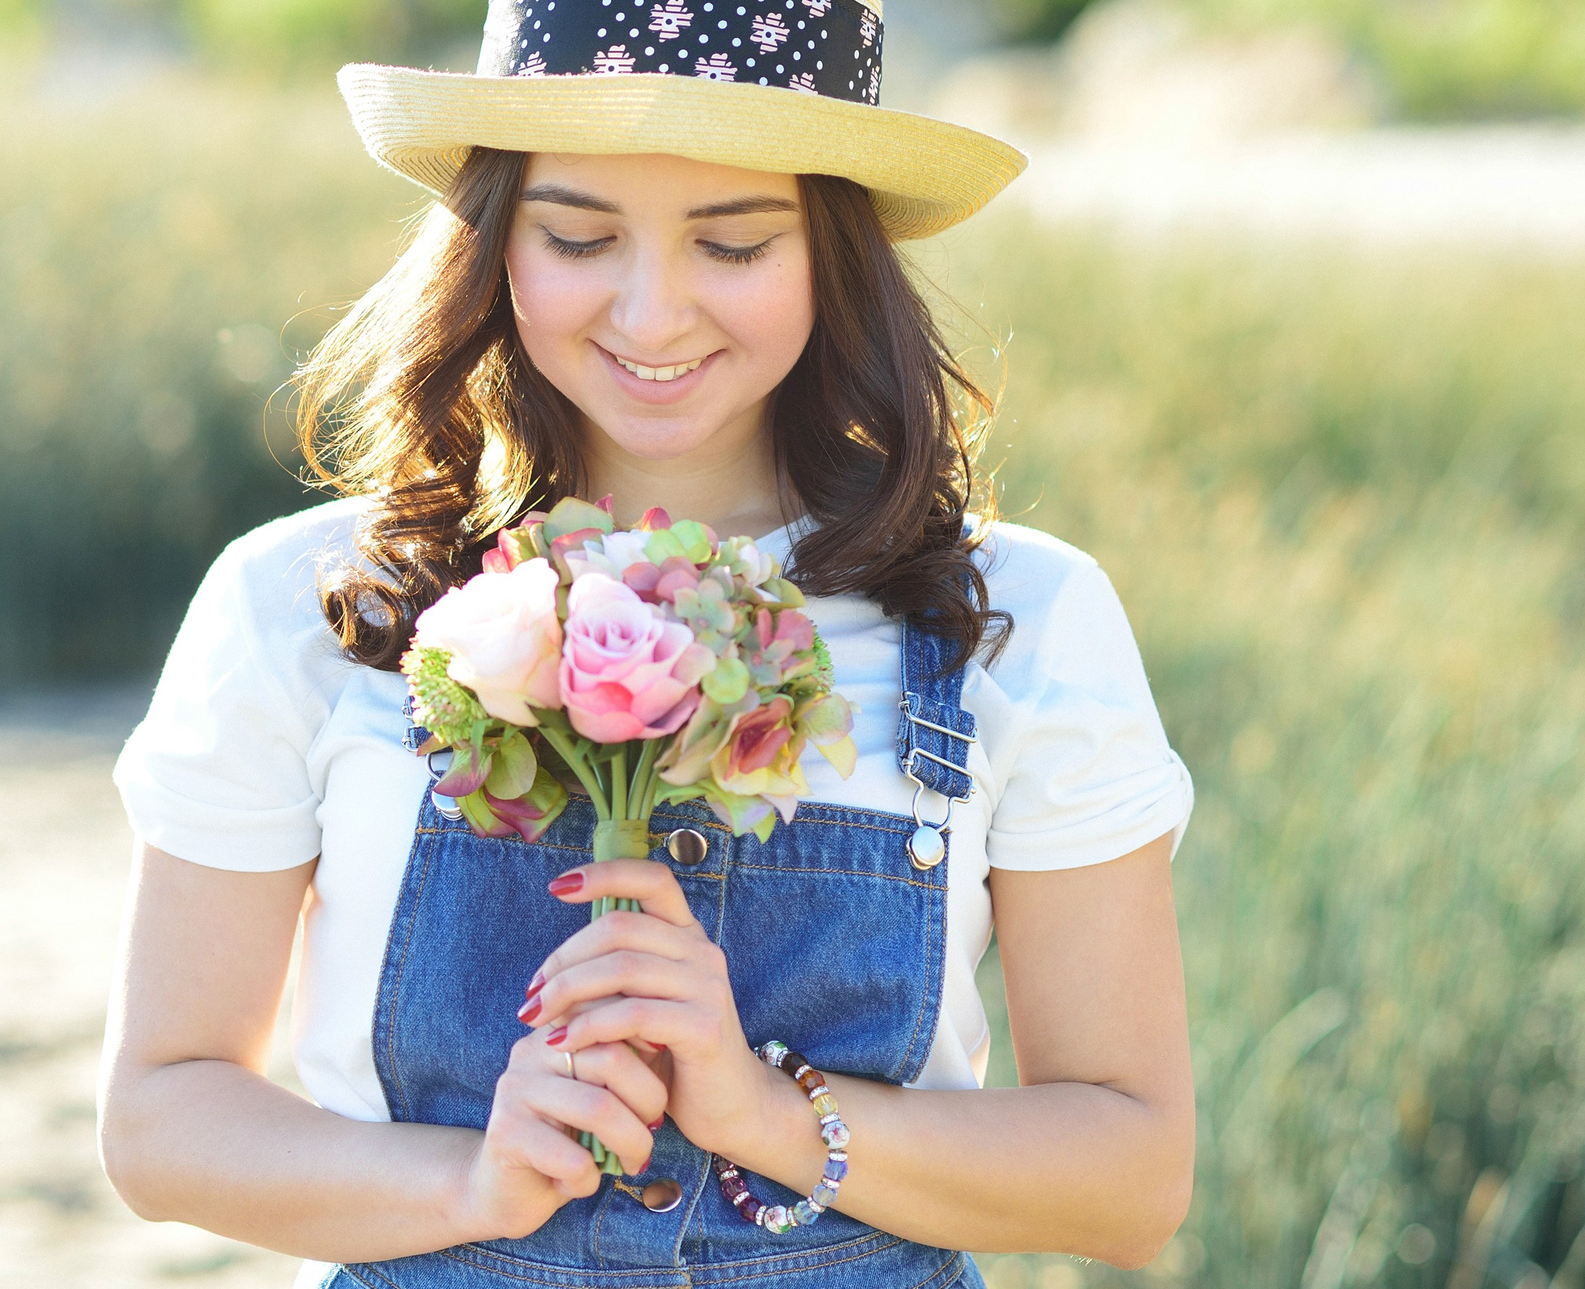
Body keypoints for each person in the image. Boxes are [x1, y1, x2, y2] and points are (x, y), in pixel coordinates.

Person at [99, 1, 1197, 1283]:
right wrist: (466, 1180)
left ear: (833, 250)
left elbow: (1130, 1180)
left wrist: (768, 1113)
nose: (652, 312)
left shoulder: (1015, 617)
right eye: (577, 236)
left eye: (732, 244)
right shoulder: (311, 599)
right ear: (495, 237)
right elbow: (160, 1120)